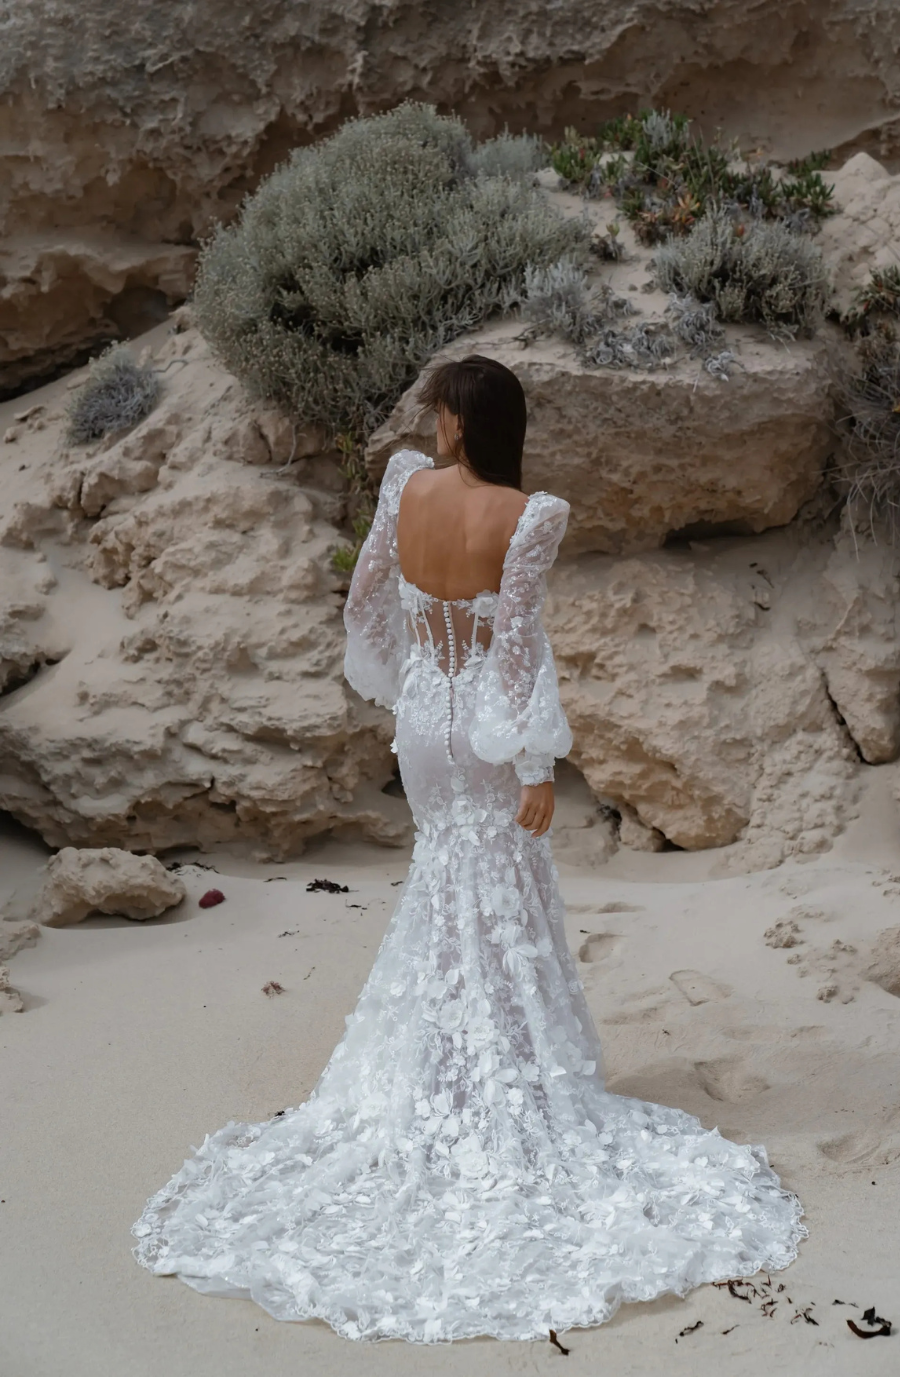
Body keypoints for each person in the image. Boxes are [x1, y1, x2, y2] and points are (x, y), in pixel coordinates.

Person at [131, 354, 806, 1342]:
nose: (429, 422)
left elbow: (368, 599)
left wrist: (410, 674)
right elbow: (521, 644)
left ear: (455, 422)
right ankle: (502, 1076)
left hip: (423, 730)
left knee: (446, 885)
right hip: (489, 732)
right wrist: (538, 762)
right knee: (502, 893)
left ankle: (442, 1071)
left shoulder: (406, 487)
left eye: (437, 410)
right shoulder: (529, 517)